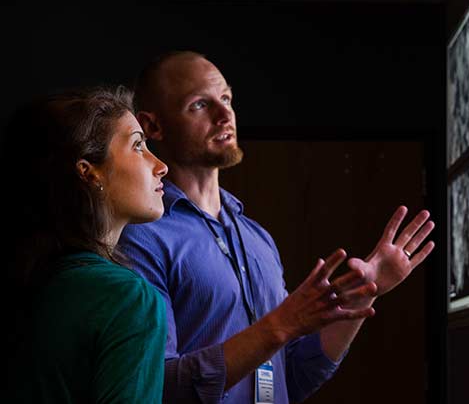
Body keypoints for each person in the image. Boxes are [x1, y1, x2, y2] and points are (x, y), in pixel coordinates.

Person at [120, 50, 436, 403]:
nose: (225, 114)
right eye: (200, 105)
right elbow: (158, 385)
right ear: (152, 126)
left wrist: (366, 293)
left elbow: (296, 374)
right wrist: (280, 324)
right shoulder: (141, 237)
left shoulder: (258, 239)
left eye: (226, 98)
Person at [5, 87, 170, 402]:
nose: (160, 165)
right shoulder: (126, 297)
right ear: (88, 171)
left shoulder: (26, 279)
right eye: (138, 145)